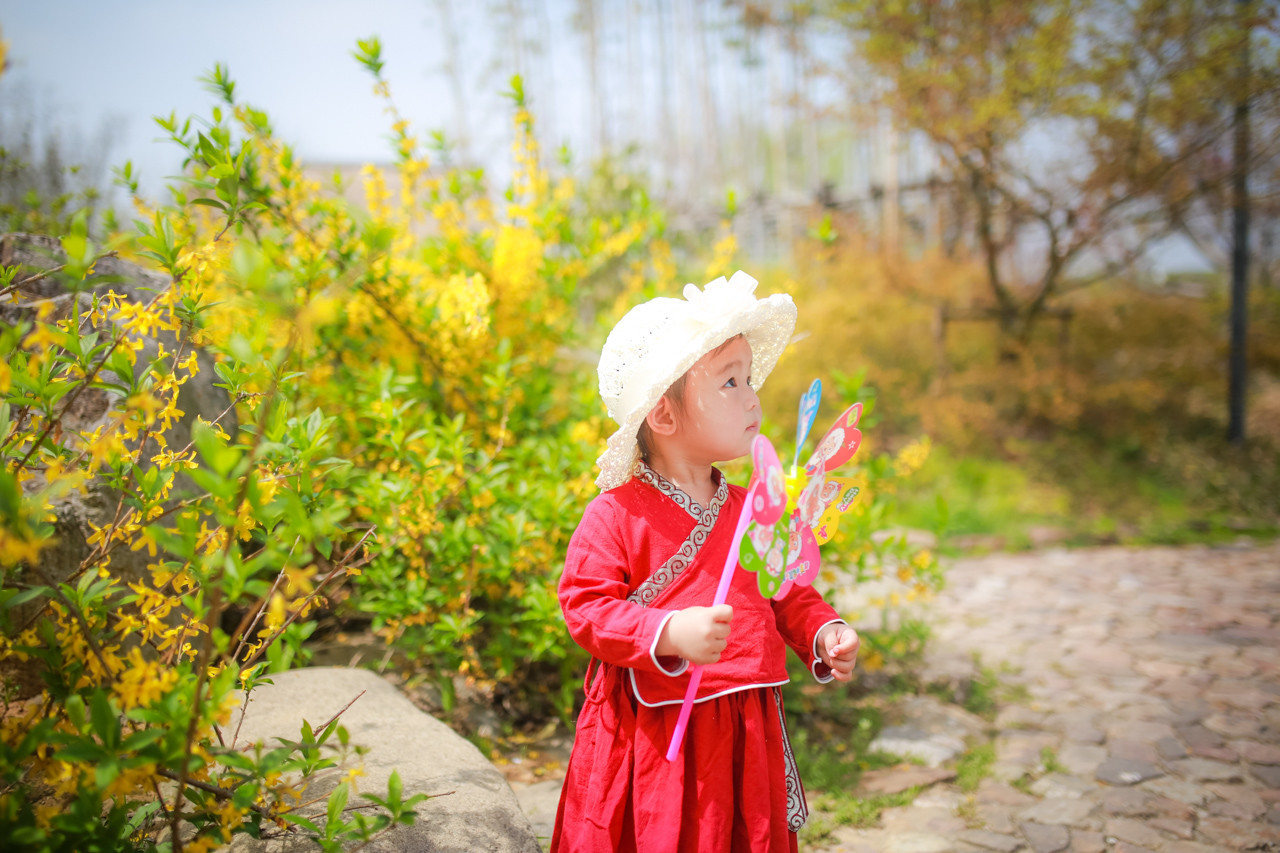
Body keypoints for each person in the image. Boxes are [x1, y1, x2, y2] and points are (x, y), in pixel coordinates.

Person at [551, 271, 860, 853]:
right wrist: (666, 631)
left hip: (745, 722)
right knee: (665, 833)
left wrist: (823, 631)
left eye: (749, 378)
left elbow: (787, 590)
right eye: (729, 382)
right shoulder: (617, 516)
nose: (752, 396)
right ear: (663, 416)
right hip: (655, 729)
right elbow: (586, 608)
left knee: (737, 834)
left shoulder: (758, 508)